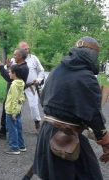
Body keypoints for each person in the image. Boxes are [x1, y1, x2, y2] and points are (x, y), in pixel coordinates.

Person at [32, 37, 109, 179]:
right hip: (65, 138)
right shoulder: (86, 77)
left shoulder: (57, 71)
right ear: (91, 54)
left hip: (47, 132)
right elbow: (93, 116)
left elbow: (43, 100)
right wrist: (105, 139)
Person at [0, 48, 29, 139]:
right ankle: (4, 130)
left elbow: (10, 78)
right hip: (11, 93)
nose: (13, 57)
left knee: (11, 113)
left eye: (15, 55)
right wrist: (10, 67)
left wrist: (1, 68)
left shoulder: (23, 68)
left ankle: (12, 137)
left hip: (15, 95)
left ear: (20, 56)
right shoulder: (19, 66)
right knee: (6, 111)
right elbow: (12, 75)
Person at [19, 41, 45, 131]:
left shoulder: (33, 58)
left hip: (31, 86)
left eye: (27, 48)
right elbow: (9, 69)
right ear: (20, 51)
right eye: (24, 49)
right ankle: (16, 124)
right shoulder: (16, 58)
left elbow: (41, 70)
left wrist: (38, 80)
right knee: (17, 105)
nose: (27, 50)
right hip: (19, 87)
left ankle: (37, 122)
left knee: (33, 106)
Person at [5, 64, 26, 155]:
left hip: (11, 111)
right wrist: (18, 108)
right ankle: (21, 146)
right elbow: (22, 97)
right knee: (18, 128)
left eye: (10, 72)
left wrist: (13, 113)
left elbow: (14, 99)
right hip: (18, 110)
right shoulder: (21, 83)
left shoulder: (14, 85)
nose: (8, 73)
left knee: (12, 129)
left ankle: (14, 148)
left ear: (14, 73)